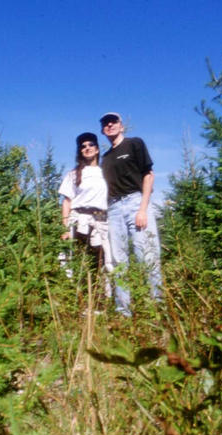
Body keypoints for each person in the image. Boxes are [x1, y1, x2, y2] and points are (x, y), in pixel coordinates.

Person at [99, 112, 162, 317]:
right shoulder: (105, 158)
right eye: (105, 123)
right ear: (103, 130)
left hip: (135, 202)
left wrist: (142, 209)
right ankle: (123, 313)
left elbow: (148, 176)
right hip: (114, 208)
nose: (109, 125)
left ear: (121, 125)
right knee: (118, 261)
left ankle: (157, 310)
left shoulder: (135, 144)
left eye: (113, 121)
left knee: (147, 255)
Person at [58, 132, 113, 282]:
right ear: (80, 151)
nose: (87, 148)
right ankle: (73, 294)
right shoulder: (74, 174)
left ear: (97, 149)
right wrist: (64, 228)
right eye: (83, 146)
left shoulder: (106, 172)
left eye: (90, 145)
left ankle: (100, 296)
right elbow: (67, 201)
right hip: (78, 220)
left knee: (101, 259)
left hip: (100, 221)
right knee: (75, 259)